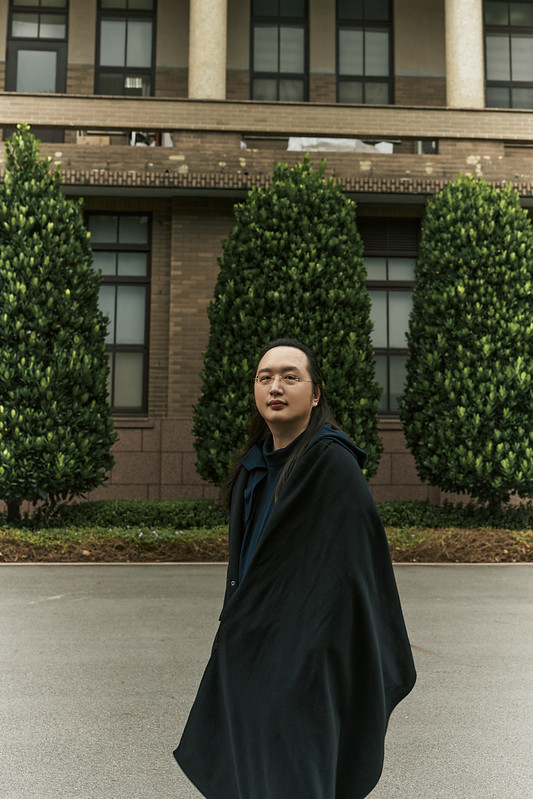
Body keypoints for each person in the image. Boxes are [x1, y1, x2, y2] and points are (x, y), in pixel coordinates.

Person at [174, 338, 416, 799]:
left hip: (306, 663)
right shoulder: (254, 467)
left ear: (316, 393)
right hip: (252, 651)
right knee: (250, 772)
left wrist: (309, 656)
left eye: (290, 376)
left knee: (296, 776)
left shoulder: (331, 465)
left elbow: (355, 574)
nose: (275, 387)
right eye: (265, 378)